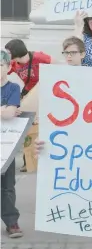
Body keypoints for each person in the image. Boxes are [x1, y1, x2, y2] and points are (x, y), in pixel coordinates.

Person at [5, 39, 52, 172]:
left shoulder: (39, 57)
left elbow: (56, 65)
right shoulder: (13, 64)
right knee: (27, 126)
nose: (7, 55)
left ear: (16, 50)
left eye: (9, 52)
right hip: (29, 96)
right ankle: (28, 161)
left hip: (45, 94)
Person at [1, 50, 23, 238]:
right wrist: (4, 108)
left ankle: (11, 221)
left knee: (7, 185)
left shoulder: (13, 88)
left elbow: (10, 114)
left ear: (8, 68)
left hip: (5, 144)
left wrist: (7, 110)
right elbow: (6, 112)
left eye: (1, 65)